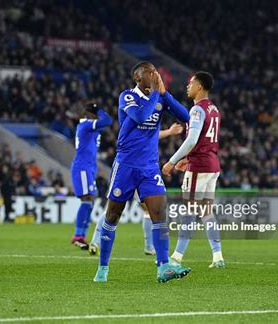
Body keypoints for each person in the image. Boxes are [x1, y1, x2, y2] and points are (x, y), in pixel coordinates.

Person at [93, 61, 191, 283]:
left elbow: (185, 116)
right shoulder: (127, 97)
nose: (155, 74)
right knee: (112, 216)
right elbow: (141, 116)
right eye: (150, 72)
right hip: (126, 165)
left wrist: (166, 96)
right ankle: (103, 268)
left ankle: (163, 266)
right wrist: (157, 94)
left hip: (149, 167)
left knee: (159, 213)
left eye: (156, 71)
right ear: (138, 77)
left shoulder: (158, 96)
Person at [88, 123, 184, 256]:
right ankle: (95, 242)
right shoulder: (135, 120)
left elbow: (150, 135)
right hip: (130, 169)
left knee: (145, 209)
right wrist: (168, 132)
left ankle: (148, 247)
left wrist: (168, 132)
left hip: (140, 170)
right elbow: (150, 135)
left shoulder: (139, 120)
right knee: (113, 210)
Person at [162, 71, 225, 268]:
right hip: (212, 165)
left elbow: (192, 140)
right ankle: (218, 257)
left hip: (199, 166)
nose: (188, 86)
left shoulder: (197, 110)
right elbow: (206, 141)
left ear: (200, 87)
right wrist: (187, 159)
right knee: (206, 212)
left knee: (188, 212)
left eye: (191, 83)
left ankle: (176, 258)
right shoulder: (214, 109)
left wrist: (173, 160)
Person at [71, 103, 112, 249]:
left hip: (89, 167)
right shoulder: (86, 125)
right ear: (91, 114)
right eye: (95, 114)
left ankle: (81, 235)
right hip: (82, 167)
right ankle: (78, 235)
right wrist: (99, 110)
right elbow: (107, 120)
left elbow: (107, 123)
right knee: (87, 199)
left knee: (90, 200)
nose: (98, 116)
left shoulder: (90, 127)